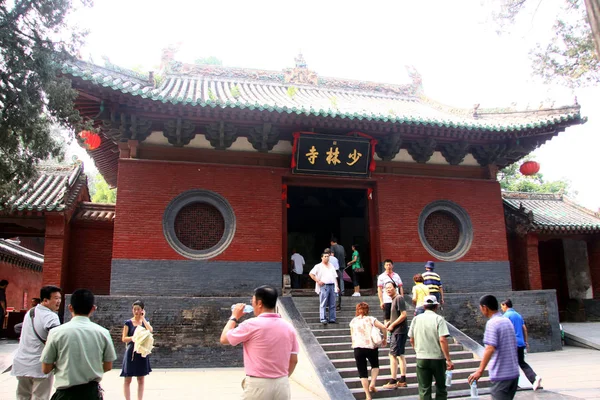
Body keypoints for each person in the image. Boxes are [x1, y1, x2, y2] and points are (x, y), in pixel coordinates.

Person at [220, 285, 299, 400]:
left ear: (259, 303)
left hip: (258, 385)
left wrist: (234, 317)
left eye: (253, 301)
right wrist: (282, 379)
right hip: (282, 384)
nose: (252, 305)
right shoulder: (289, 327)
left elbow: (224, 339)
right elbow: (294, 361)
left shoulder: (250, 325)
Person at [41, 289, 117, 400]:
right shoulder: (103, 333)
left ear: (70, 307)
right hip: (91, 394)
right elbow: (108, 366)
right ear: (93, 308)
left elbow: (46, 368)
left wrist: (64, 367)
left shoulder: (56, 332)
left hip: (65, 394)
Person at [12, 286, 62, 400]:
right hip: (40, 365)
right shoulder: (51, 316)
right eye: (55, 298)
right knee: (40, 397)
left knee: (22, 397)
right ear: (45, 300)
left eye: (59, 298)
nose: (59, 301)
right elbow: (56, 339)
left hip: (22, 363)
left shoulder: (31, 312)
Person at [468, 295, 519, 400]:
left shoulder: (492, 323)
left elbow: (490, 348)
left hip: (501, 375)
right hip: (513, 374)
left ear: (485, 307)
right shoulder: (506, 321)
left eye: (481, 308)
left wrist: (480, 371)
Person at [408, 295, 454, 400]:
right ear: (436, 306)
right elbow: (442, 339)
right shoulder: (439, 319)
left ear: (424, 306)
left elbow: (411, 339)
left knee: (424, 388)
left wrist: (417, 350)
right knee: (441, 387)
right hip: (437, 358)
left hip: (421, 358)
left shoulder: (416, 319)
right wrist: (448, 359)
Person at [501, 299, 542, 391]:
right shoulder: (518, 315)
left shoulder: (505, 316)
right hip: (520, 343)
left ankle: (514, 385)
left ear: (505, 305)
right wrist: (525, 341)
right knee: (521, 363)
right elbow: (525, 329)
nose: (501, 308)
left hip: (511, 344)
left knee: (512, 364)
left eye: (502, 306)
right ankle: (534, 378)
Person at [349, 302, 387, 400]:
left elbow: (352, 335)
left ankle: (367, 395)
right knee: (375, 365)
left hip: (358, 347)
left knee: (362, 371)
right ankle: (373, 384)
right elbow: (383, 327)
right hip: (371, 347)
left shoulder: (353, 321)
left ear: (357, 310)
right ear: (367, 310)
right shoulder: (371, 319)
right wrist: (385, 339)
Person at [121, 300, 153, 400]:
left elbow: (150, 330)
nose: (136, 311)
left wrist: (143, 318)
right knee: (127, 379)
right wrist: (134, 337)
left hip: (141, 352)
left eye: (138, 309)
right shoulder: (128, 323)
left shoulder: (144, 323)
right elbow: (124, 338)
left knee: (141, 379)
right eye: (134, 309)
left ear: (142, 310)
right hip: (131, 352)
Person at [382, 281, 409, 389]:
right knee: (400, 355)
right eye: (386, 288)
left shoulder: (398, 298)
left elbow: (403, 315)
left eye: (390, 287)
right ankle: (402, 380)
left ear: (395, 288)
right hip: (398, 330)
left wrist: (392, 325)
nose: (388, 290)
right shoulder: (393, 299)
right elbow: (397, 315)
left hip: (399, 331)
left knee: (392, 355)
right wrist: (389, 322)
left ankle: (393, 380)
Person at [309, 252, 339, 324]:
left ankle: (332, 318)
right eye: (325, 256)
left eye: (328, 256)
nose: (326, 258)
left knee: (332, 303)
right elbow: (311, 274)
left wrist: (337, 286)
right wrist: (318, 281)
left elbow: (335, 276)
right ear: (322, 257)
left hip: (332, 285)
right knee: (323, 303)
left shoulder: (331, 265)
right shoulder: (318, 266)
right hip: (324, 286)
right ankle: (323, 318)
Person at [376, 259, 403, 324]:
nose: (388, 266)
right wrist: (381, 301)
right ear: (384, 266)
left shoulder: (396, 275)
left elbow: (400, 287)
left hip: (396, 299)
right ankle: (387, 332)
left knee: (397, 316)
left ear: (392, 266)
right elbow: (379, 289)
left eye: (390, 265)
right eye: (387, 265)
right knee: (387, 317)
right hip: (386, 300)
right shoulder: (381, 276)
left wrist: (402, 297)